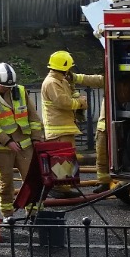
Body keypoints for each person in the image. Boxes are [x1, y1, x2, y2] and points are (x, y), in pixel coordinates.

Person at [0, 62, 44, 220]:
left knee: (32, 179)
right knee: (6, 181)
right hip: (1, 147)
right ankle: (8, 214)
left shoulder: (20, 90)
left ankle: (34, 212)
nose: (8, 89)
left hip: (25, 144)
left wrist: (36, 138)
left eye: (9, 86)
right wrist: (7, 141)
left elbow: (33, 116)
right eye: (3, 86)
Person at [40, 51, 106, 199]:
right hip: (58, 130)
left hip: (65, 128)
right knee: (61, 159)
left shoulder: (61, 80)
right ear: (65, 67)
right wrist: (80, 103)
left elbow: (70, 96)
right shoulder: (51, 82)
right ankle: (60, 188)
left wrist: (77, 96)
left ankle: (64, 186)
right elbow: (63, 102)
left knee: (67, 159)